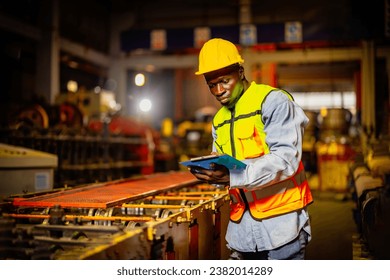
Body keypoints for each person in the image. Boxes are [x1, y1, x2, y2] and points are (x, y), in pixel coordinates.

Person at [189, 38, 313, 260]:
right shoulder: (219, 120)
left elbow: (286, 160)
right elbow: (225, 164)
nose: (218, 91)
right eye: (211, 85)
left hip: (282, 225)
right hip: (242, 231)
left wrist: (233, 174)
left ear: (240, 71)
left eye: (224, 81)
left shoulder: (273, 102)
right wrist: (212, 172)